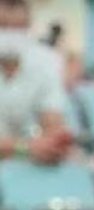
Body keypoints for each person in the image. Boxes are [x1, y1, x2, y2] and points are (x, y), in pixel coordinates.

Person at [0, 0, 72, 165]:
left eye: (17, 29)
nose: (10, 37)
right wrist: (26, 148)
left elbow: (52, 119)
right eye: (3, 27)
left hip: (29, 161)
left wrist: (53, 143)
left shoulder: (48, 61)